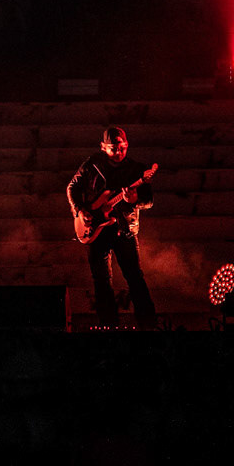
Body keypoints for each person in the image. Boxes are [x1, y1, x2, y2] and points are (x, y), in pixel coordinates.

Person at [66, 127, 155, 328]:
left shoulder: (136, 170)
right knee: (102, 281)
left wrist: (135, 199)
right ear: (103, 147)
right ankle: (108, 326)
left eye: (122, 148)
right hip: (96, 230)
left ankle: (149, 325)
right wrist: (79, 210)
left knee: (134, 277)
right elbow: (72, 187)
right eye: (113, 148)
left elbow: (148, 201)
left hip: (124, 229)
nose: (119, 152)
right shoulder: (91, 165)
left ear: (127, 145)